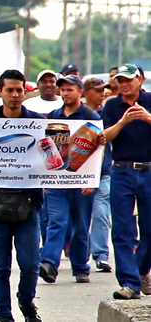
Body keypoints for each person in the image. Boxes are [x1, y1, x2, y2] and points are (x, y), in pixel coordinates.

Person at [0, 69, 44, 322]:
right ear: (0, 93)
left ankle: (26, 302)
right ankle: (3, 315)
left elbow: (58, 153)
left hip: (29, 205)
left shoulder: (39, 123)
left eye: (20, 90)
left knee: (30, 265)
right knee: (0, 267)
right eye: (10, 90)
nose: (15, 95)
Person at [38, 75, 102, 285]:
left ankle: (80, 266)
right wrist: (46, 177)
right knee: (56, 222)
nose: (66, 94)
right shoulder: (54, 116)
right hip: (57, 181)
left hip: (81, 180)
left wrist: (91, 179)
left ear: (80, 91)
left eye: (70, 89)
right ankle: (48, 263)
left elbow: (97, 150)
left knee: (81, 225)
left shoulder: (90, 116)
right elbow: (47, 148)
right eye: (63, 90)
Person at [101, 63, 151, 299]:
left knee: (149, 229)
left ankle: (141, 271)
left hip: (149, 169)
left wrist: (147, 118)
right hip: (121, 171)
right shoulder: (112, 105)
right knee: (122, 229)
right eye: (120, 80)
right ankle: (130, 283)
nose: (123, 84)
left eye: (128, 80)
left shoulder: (150, 100)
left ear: (140, 80)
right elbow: (102, 138)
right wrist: (123, 121)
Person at [83, 77, 113, 273]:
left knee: (102, 213)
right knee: (80, 218)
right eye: (97, 90)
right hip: (79, 174)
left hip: (103, 172)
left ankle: (101, 255)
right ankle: (80, 255)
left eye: (104, 89)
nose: (102, 93)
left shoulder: (108, 113)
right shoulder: (78, 114)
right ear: (85, 93)